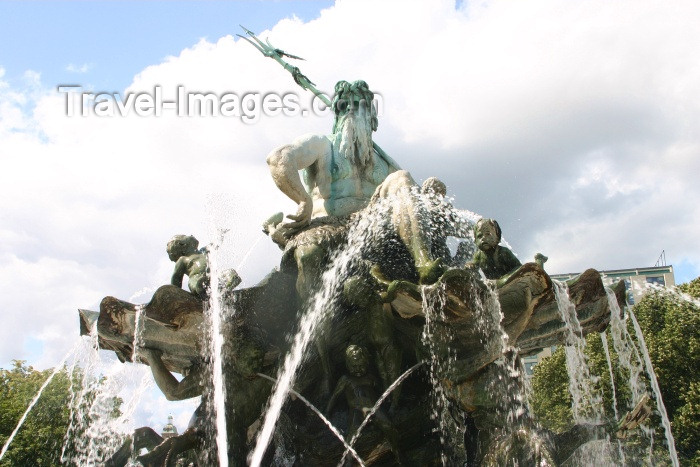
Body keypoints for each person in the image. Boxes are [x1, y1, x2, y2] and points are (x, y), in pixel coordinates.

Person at [265, 80, 444, 299]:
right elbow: (279, 158)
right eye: (343, 106)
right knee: (309, 254)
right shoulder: (322, 145)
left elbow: (414, 202)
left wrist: (431, 194)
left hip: (369, 229)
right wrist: (303, 199)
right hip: (327, 225)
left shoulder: (385, 165)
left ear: (372, 117)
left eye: (358, 105)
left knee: (402, 178)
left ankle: (424, 264)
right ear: (337, 115)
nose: (351, 110)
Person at [325, 345, 403, 464]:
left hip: (374, 408)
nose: (358, 369)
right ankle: (348, 462)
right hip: (357, 410)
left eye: (361, 366)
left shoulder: (370, 377)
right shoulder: (346, 379)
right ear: (348, 365)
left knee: (389, 426)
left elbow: (381, 391)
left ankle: (398, 452)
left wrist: (390, 402)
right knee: (352, 436)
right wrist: (327, 412)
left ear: (366, 363)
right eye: (354, 366)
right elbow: (334, 396)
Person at [167, 235, 209, 299]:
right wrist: (174, 294)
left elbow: (214, 245)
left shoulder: (203, 250)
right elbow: (176, 277)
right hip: (196, 276)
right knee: (194, 282)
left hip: (212, 275)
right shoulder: (183, 259)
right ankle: (200, 287)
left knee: (224, 276)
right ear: (182, 245)